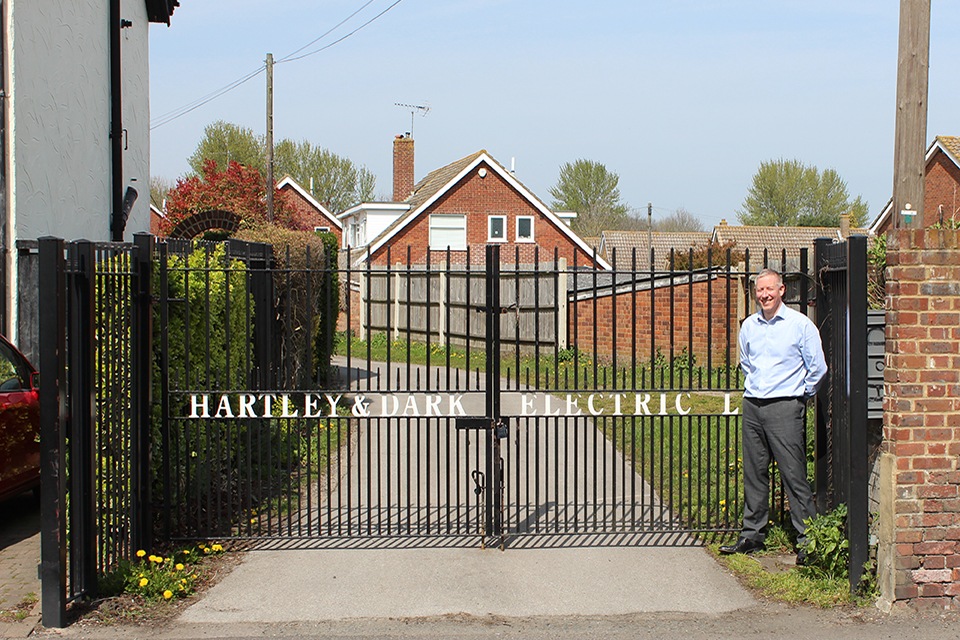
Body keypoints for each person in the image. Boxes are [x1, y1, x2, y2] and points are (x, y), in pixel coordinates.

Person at [719, 268, 827, 564]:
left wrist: (798, 395)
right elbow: (747, 364)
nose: (764, 295)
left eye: (769, 289)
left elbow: (817, 368)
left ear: (781, 290)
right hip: (753, 405)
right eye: (759, 290)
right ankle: (752, 535)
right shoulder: (749, 326)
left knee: (793, 474)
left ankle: (809, 541)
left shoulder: (800, 325)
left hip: (785, 406)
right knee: (754, 473)